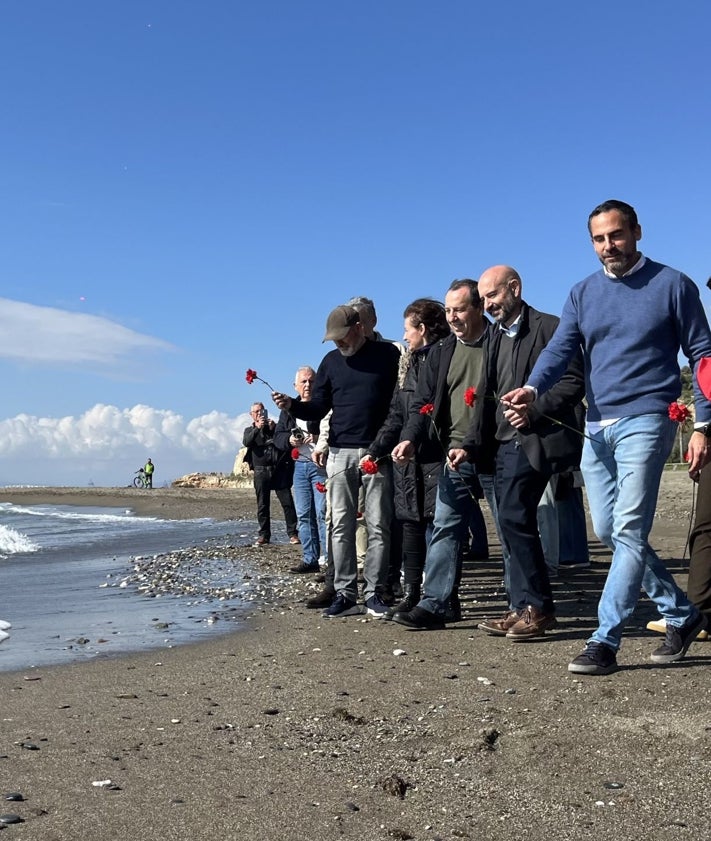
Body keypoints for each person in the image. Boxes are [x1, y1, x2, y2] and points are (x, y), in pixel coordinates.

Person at [503, 199, 711, 674]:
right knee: (608, 531)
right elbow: (561, 348)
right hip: (596, 424)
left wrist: (703, 424)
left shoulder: (674, 285)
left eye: (615, 235)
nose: (607, 246)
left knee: (629, 530)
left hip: (649, 418)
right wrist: (533, 388)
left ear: (637, 232)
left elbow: (703, 354)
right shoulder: (581, 293)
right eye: (598, 239)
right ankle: (682, 614)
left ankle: (604, 641)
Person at [450, 265, 586, 639]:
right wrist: (469, 445)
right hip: (503, 442)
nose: (487, 304)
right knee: (511, 522)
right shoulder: (494, 336)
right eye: (483, 299)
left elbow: (573, 382)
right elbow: (485, 396)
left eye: (492, 295)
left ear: (515, 288)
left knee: (513, 515)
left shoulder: (551, 327)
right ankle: (522, 606)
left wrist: (535, 409)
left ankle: (539, 608)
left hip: (539, 439)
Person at [272, 305, 400, 618]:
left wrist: (383, 444)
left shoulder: (387, 356)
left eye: (342, 337)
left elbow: (399, 403)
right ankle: (344, 593)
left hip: (378, 453)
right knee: (339, 525)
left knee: (379, 525)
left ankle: (374, 593)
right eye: (333, 340)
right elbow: (318, 407)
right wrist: (293, 407)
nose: (338, 344)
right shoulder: (330, 362)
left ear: (359, 327)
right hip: (340, 453)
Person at [391, 279, 491, 630]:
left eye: (460, 309)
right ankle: (436, 604)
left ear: (479, 307)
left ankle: (529, 604)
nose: (453, 317)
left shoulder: (499, 344)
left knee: (512, 529)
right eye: (448, 310)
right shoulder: (441, 351)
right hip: (453, 455)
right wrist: (410, 440)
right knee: (445, 527)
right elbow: (421, 405)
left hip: (496, 451)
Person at [367, 298, 451, 619]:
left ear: (423, 329)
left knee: (438, 530)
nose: (404, 337)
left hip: (433, 456)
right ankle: (412, 594)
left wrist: (412, 439)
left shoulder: (444, 356)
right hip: (406, 459)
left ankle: (442, 598)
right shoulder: (408, 365)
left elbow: (431, 411)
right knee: (411, 528)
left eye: (407, 329)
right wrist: (376, 449)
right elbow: (396, 414)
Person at [273, 366, 327, 574]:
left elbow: (335, 428)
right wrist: (290, 440)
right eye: (303, 382)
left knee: (323, 513)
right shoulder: (288, 410)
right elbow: (278, 438)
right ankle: (310, 558)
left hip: (321, 465)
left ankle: (328, 560)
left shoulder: (323, 405)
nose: (307, 385)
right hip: (299, 466)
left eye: (311, 381)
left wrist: (319, 438)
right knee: (304, 515)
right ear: (295, 385)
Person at [243, 401, 299, 547]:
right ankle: (264, 535)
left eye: (261, 411)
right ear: (251, 415)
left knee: (287, 503)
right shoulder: (249, 430)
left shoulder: (274, 427)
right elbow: (247, 442)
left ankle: (293, 533)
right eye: (256, 412)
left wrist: (274, 429)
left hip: (278, 469)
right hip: (261, 471)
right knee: (262, 505)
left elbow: (282, 440)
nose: (259, 414)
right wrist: (257, 428)